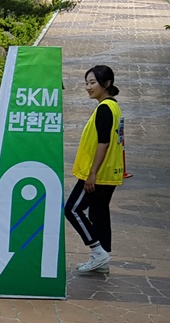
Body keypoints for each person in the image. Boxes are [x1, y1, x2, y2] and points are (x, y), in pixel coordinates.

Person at [64, 64, 124, 275]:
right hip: (110, 173)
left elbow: (104, 143)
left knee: (71, 209)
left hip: (98, 174)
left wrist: (92, 173)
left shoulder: (105, 109)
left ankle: (98, 252)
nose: (88, 87)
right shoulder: (114, 107)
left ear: (106, 84)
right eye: (86, 83)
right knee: (99, 213)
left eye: (92, 83)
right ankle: (103, 259)